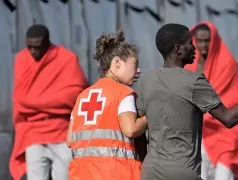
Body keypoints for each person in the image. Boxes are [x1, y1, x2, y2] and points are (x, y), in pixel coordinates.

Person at [135, 23, 238, 180]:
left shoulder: (145, 81)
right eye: (191, 43)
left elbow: (138, 131)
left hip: (150, 171)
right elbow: (228, 119)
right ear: (178, 49)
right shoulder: (194, 81)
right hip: (182, 172)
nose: (195, 48)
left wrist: (147, 161)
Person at [10, 24, 88, 180]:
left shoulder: (66, 58)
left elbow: (76, 95)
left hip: (61, 132)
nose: (33, 51)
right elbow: (20, 98)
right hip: (33, 133)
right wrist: (53, 103)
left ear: (47, 43)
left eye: (37, 47)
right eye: (29, 47)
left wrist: (35, 102)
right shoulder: (22, 59)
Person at [67, 31, 147, 180]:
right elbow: (130, 130)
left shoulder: (82, 96)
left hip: (81, 174)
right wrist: (150, 116)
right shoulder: (123, 93)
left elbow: (70, 140)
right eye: (135, 64)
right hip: (116, 173)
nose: (138, 71)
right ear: (117, 62)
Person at [185, 21, 238, 180]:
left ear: (214, 40)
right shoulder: (187, 66)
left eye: (207, 40)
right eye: (199, 40)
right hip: (197, 134)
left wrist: (210, 114)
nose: (203, 45)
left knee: (224, 174)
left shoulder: (227, 64)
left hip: (224, 132)